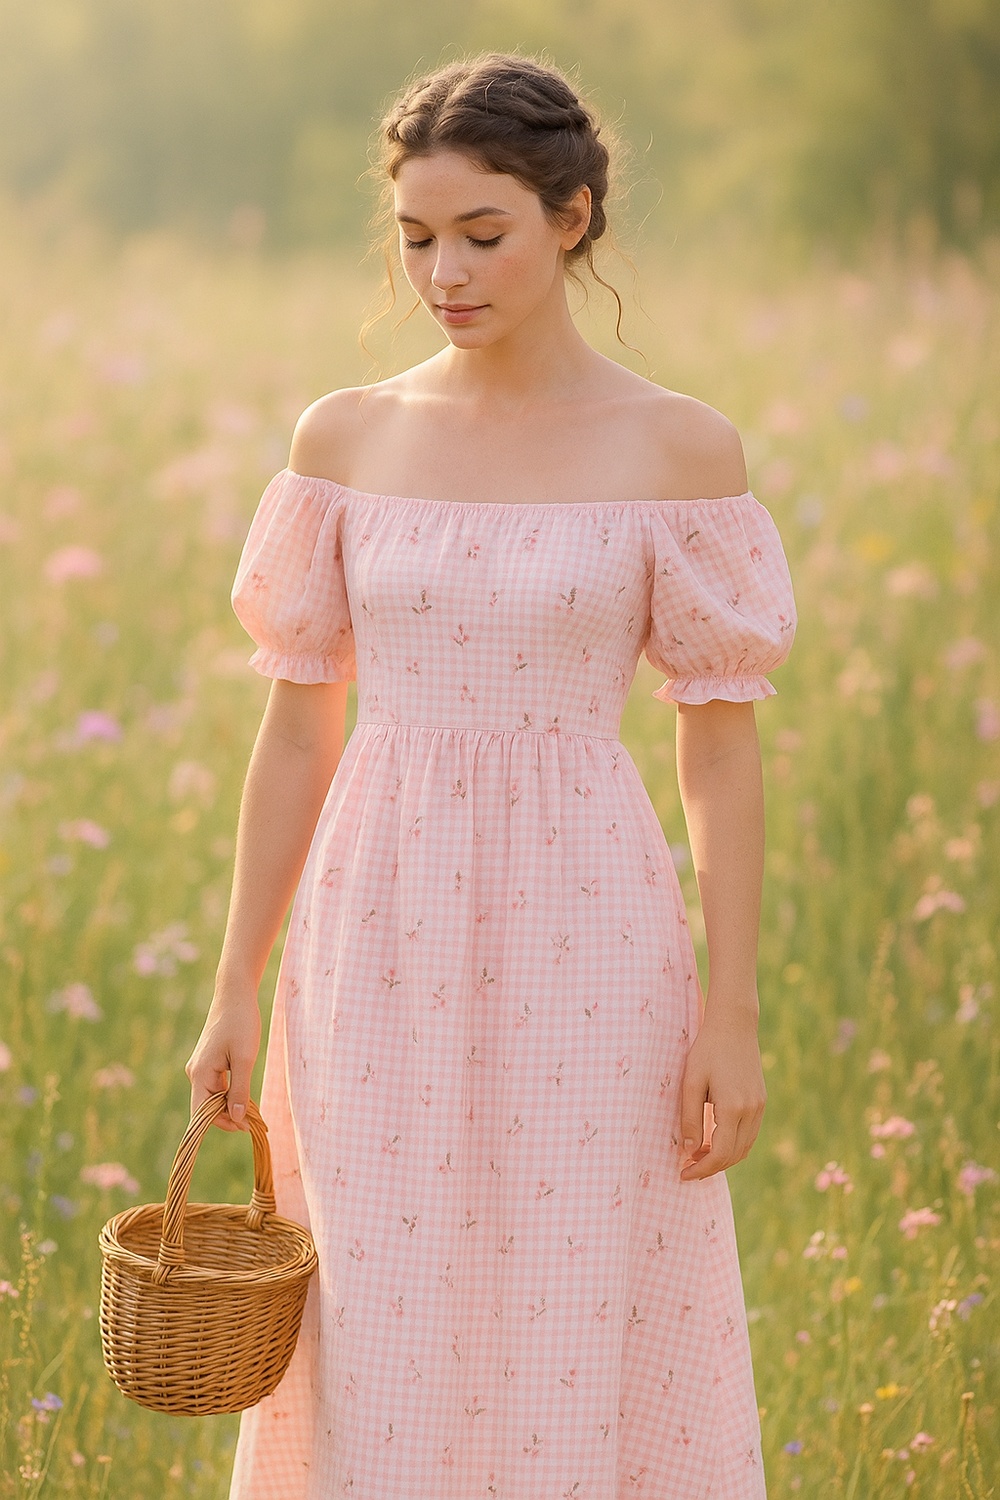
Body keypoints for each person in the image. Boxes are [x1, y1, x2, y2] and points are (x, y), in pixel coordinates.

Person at [186, 50, 796, 1500]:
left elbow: (717, 743)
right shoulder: (344, 438)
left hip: (593, 933)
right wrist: (233, 985)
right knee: (380, 1298)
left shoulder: (677, 449)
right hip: (374, 928)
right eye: (413, 239)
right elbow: (297, 729)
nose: (441, 274)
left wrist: (733, 1008)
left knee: (577, 1285)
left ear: (573, 217)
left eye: (481, 235)